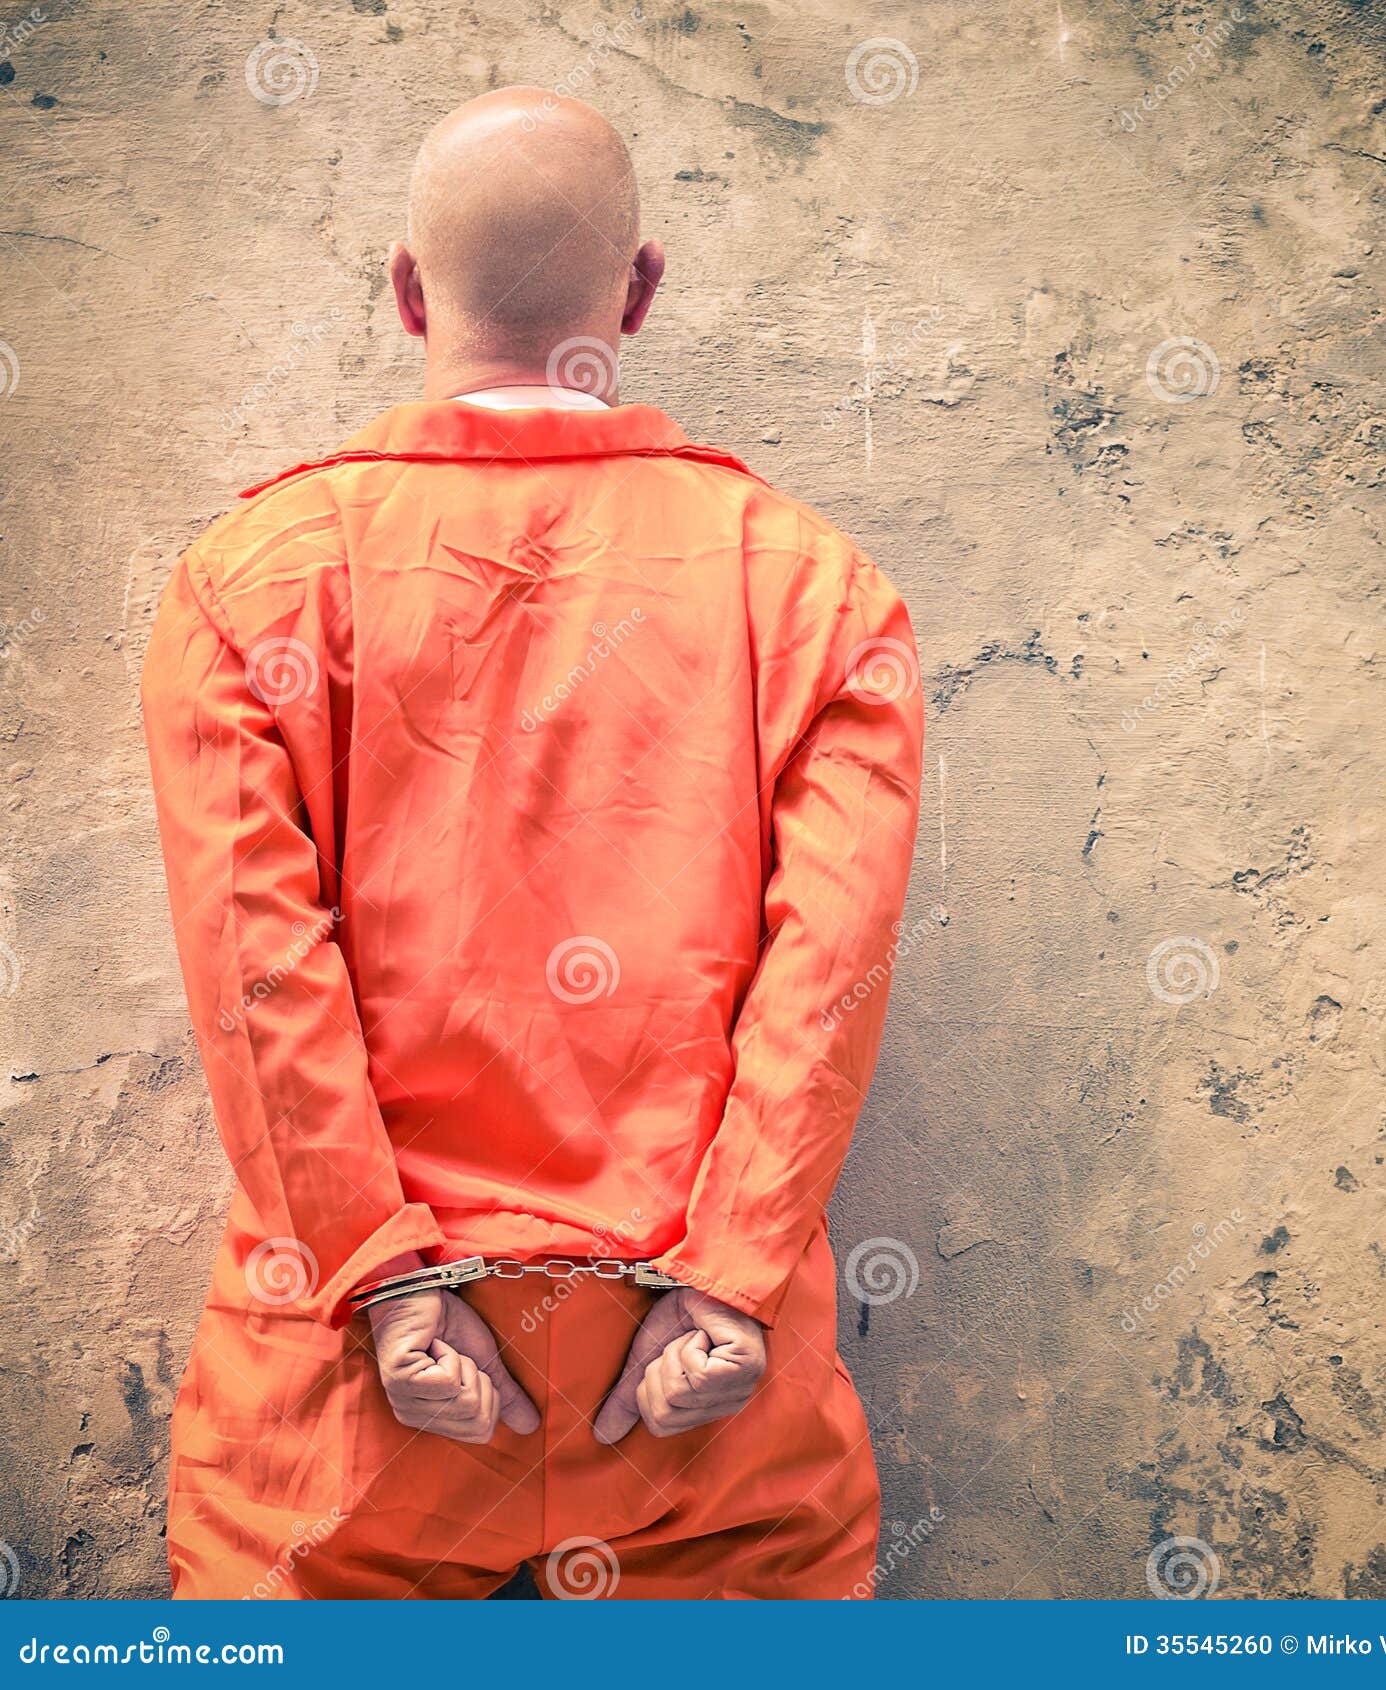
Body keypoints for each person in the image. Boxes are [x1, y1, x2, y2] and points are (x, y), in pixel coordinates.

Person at [141, 86, 923, 1601]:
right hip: (706, 1395)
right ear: (638, 291)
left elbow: (257, 976)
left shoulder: (251, 583)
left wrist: (385, 1284)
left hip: (351, 1408)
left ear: (407, 290)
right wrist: (731, 1281)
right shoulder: (816, 594)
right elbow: (828, 975)